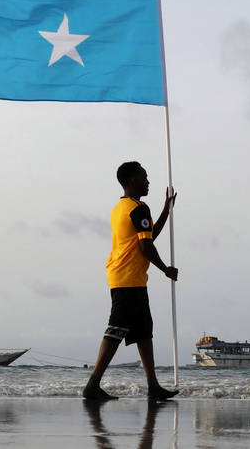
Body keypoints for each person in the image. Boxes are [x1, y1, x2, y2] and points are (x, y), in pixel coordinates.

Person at [83, 161, 179, 401]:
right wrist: (166, 269)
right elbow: (146, 247)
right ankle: (92, 384)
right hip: (127, 278)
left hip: (129, 277)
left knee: (144, 332)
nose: (148, 181)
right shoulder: (138, 208)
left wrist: (166, 210)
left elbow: (147, 236)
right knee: (116, 330)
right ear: (132, 180)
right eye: (144, 177)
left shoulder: (120, 208)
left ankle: (153, 385)